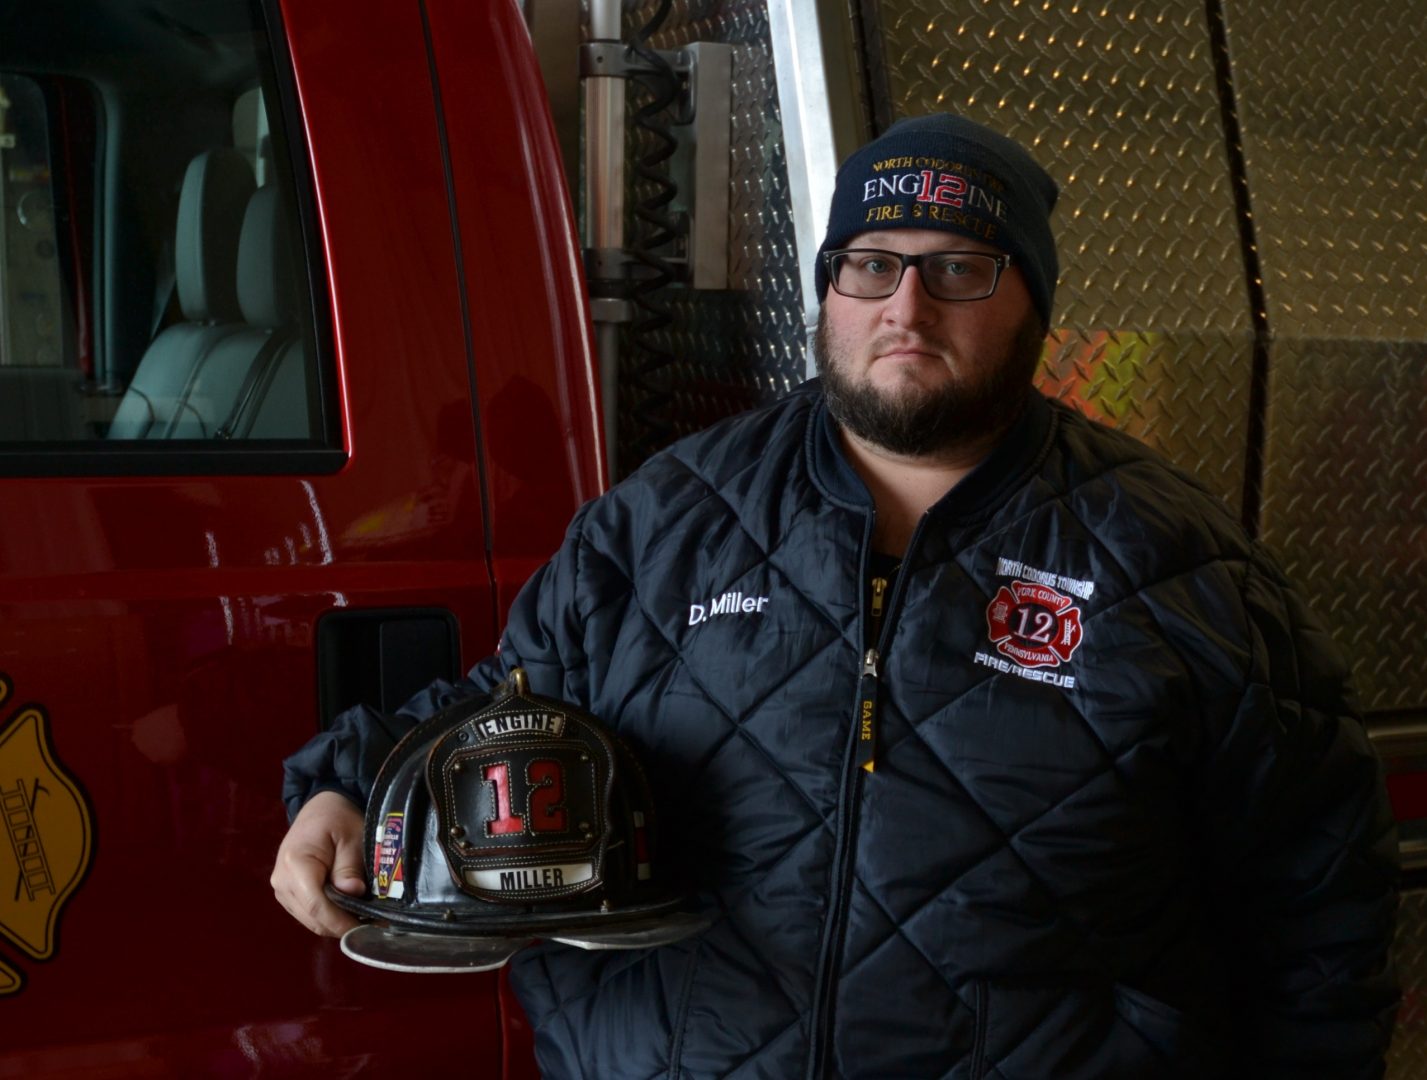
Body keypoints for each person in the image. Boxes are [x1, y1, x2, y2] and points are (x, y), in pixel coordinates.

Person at [272, 114, 1399, 1078]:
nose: (905, 304)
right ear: (829, 287)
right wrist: (345, 789)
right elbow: (511, 707)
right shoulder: (664, 520)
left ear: (1031, 304)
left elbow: (1317, 911)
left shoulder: (1179, 569)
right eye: (870, 263)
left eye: (960, 266)